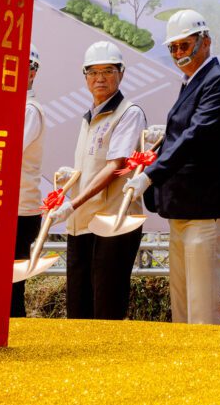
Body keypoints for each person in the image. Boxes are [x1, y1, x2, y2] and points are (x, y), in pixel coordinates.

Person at [129, 10, 220, 325]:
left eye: (185, 44)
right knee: (182, 308)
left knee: (202, 309)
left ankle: (207, 372)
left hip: (205, 210)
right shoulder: (194, 81)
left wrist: (150, 175)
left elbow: (196, 136)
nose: (179, 53)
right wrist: (159, 145)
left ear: (205, 41)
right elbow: (183, 134)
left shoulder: (217, 81)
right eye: (173, 47)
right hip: (182, 208)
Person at [48, 40, 147, 320]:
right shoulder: (89, 116)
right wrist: (73, 177)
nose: (99, 78)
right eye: (92, 72)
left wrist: (72, 203)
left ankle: (109, 365)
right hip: (81, 224)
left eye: (108, 70)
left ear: (122, 73)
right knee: (78, 309)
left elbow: (116, 166)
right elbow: (93, 165)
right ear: (85, 76)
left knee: (105, 309)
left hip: (111, 223)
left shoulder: (129, 113)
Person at [11, 44, 45, 318]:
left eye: (25, 67)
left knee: (11, 286)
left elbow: (10, 152)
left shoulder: (29, 109)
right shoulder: (7, 104)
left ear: (33, 73)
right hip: (3, 208)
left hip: (21, 210)